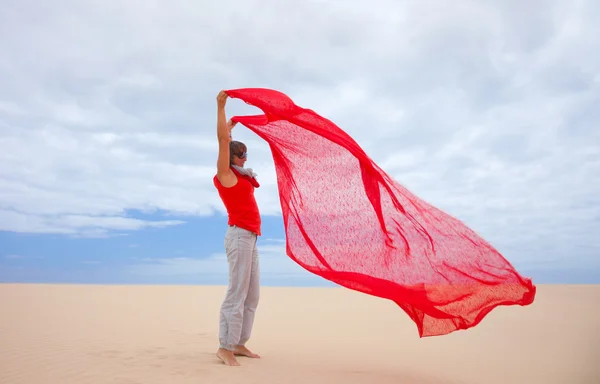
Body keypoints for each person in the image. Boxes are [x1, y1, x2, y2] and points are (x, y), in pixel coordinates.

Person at [212, 90, 262, 366]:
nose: (244, 157)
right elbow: (221, 141)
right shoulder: (226, 175)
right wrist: (221, 109)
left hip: (251, 238)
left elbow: (226, 139)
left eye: (245, 153)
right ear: (230, 156)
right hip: (239, 236)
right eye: (240, 154)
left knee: (252, 295)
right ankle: (225, 347)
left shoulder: (243, 177)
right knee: (237, 291)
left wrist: (231, 131)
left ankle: (240, 343)